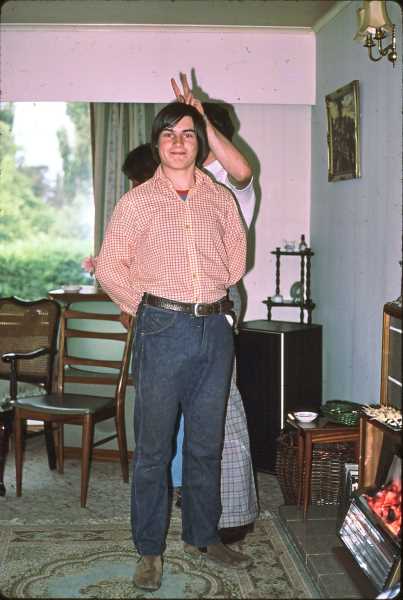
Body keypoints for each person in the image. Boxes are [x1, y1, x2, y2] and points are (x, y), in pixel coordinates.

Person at [96, 101, 252, 592]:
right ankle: (149, 550)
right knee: (154, 449)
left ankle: (204, 536)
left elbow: (236, 262)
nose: (179, 142)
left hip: (215, 330)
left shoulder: (220, 198)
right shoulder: (136, 202)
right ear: (157, 142)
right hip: (162, 329)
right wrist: (145, 309)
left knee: (206, 443)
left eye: (188, 133)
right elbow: (109, 267)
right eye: (169, 134)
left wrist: (210, 294)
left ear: (199, 142)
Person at [170, 73, 258, 542]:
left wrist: (201, 117)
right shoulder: (185, 184)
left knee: (222, 404)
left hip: (218, 300)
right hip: (179, 303)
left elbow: (242, 172)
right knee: (190, 407)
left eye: (195, 132)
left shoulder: (231, 185)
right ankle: (198, 500)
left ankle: (233, 516)